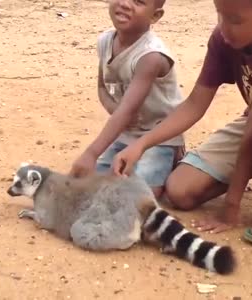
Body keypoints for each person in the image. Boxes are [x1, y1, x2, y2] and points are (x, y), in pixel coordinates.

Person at [112, 0, 252, 246]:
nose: (224, 27)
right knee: (180, 192)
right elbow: (194, 105)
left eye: (235, 20)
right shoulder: (223, 38)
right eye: (220, 15)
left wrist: (232, 203)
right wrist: (142, 144)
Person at [69, 0, 185, 198]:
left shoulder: (151, 56)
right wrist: (115, 110)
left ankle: (172, 161)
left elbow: (128, 111)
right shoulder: (105, 41)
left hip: (157, 137)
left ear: (155, 16)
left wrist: (91, 153)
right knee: (89, 183)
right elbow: (102, 87)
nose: (124, 4)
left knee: (141, 193)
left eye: (138, 1)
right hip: (125, 135)